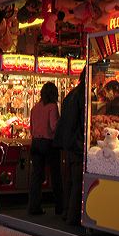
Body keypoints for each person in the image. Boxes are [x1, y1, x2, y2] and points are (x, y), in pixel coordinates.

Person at [54, 68, 86, 226]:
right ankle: (73, 216)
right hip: (77, 143)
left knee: (68, 179)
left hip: (67, 142)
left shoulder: (70, 95)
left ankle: (66, 211)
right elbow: (81, 121)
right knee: (77, 180)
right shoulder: (83, 94)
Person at [28, 82, 63, 215]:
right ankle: (59, 207)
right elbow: (54, 126)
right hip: (48, 143)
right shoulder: (52, 107)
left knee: (36, 176)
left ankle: (34, 207)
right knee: (55, 175)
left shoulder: (35, 108)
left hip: (35, 142)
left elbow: (31, 128)